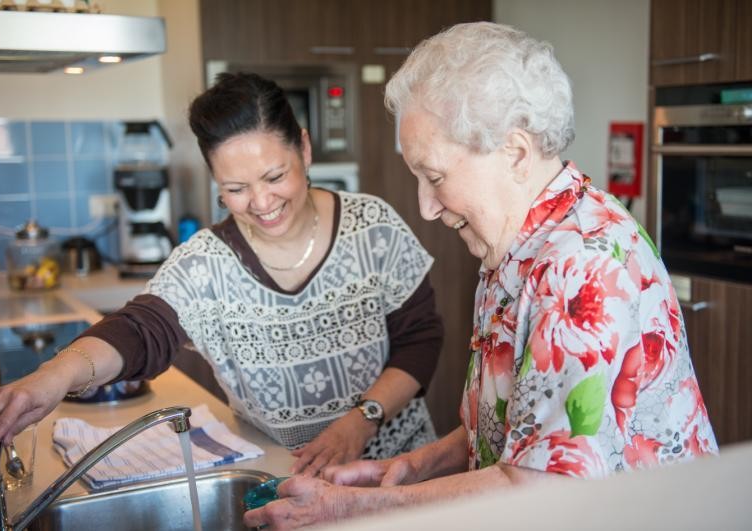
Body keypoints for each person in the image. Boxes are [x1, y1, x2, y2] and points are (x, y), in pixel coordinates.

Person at [242, 21, 719, 529]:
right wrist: (416, 466)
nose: (426, 206)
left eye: (435, 177)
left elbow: (545, 486)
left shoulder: (581, 267)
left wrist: (350, 506)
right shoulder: (520, 243)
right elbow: (521, 425)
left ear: (515, 153)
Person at [0, 72, 444, 476]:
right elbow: (140, 330)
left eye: (274, 177)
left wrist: (362, 420)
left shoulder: (372, 227)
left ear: (303, 149)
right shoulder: (206, 263)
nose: (261, 203)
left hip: (401, 470)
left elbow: (420, 338)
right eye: (236, 188)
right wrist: (55, 375)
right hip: (291, 479)